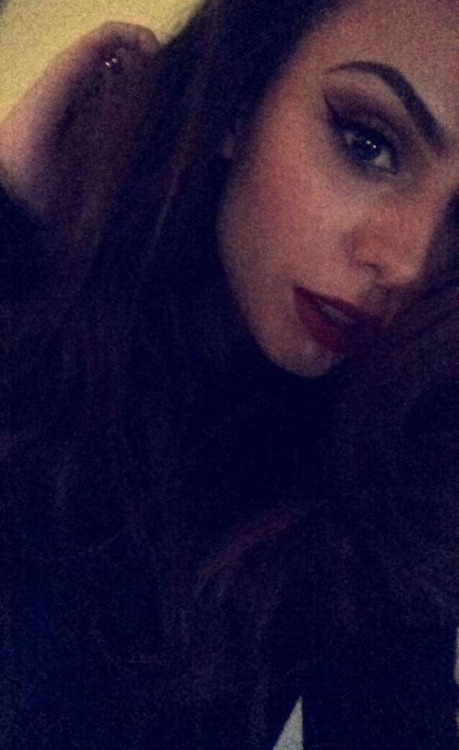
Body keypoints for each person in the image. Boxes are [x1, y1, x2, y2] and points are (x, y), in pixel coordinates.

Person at [1, 1, 458, 748]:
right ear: (239, 101)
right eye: (367, 143)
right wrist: (10, 210)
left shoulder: (388, 481)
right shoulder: (43, 310)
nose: (408, 263)